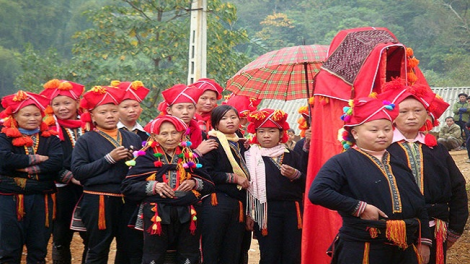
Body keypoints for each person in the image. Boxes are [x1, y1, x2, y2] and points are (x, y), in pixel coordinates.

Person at [309, 95, 432, 264]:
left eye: (387, 130)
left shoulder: (398, 161)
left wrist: (424, 240)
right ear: (355, 133)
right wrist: (359, 207)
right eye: (374, 130)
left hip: (404, 247)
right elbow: (318, 192)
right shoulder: (342, 162)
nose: (382, 135)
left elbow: (418, 203)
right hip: (363, 247)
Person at [385, 80, 468, 264]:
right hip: (395, 230)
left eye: (417, 111)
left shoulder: (437, 150)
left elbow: (458, 188)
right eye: (403, 111)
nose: (411, 116)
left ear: (427, 115)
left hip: (435, 227)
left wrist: (455, 228)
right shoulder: (383, 149)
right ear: (392, 115)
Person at [121, 115, 215, 264]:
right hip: (155, 213)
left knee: (188, 254)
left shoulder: (190, 156)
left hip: (188, 213)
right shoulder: (145, 157)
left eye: (174, 133)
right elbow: (128, 187)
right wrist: (154, 186)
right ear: (154, 136)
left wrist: (193, 182)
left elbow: (209, 183)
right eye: (164, 134)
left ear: (182, 135)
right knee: (154, 255)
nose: (170, 137)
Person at [71, 85, 143, 264]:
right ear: (92, 115)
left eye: (113, 111)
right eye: (103, 112)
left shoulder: (132, 138)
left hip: (128, 199)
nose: (110, 116)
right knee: (98, 248)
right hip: (99, 200)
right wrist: (109, 159)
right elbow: (79, 172)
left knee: (129, 249)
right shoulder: (86, 140)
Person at [0, 90, 63, 263]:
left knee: (38, 248)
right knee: (9, 248)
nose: (33, 118)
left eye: (37, 114)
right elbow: (4, 159)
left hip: (41, 199)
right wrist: (37, 159)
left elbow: (56, 163)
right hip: (10, 199)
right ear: (15, 116)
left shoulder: (51, 139)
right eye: (27, 115)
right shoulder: (4, 136)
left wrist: (23, 168)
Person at [245, 109, 306, 264]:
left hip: (292, 210)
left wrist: (296, 175)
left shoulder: (293, 155)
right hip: (265, 210)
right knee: (269, 254)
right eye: (262, 131)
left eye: (272, 131)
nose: (266, 135)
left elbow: (308, 182)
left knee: (292, 254)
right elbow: (247, 188)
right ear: (255, 133)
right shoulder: (250, 156)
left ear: (281, 134)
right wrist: (250, 213)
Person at [40, 79, 88, 264]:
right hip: (61, 189)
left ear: (77, 103)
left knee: (90, 236)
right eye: (56, 104)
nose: (62, 108)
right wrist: (69, 177)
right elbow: (49, 160)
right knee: (61, 237)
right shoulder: (48, 129)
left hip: (88, 186)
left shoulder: (89, 126)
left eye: (67, 102)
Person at [200, 105, 250, 264]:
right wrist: (232, 178)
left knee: (234, 251)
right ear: (215, 124)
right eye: (224, 118)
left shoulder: (242, 143)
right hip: (217, 202)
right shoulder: (212, 143)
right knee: (213, 249)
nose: (229, 121)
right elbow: (206, 173)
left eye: (233, 117)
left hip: (239, 203)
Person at [158, 84, 218, 156]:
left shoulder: (200, 133)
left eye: (190, 108)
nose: (185, 112)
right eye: (180, 108)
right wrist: (197, 152)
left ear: (195, 109)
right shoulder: (160, 132)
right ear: (169, 110)